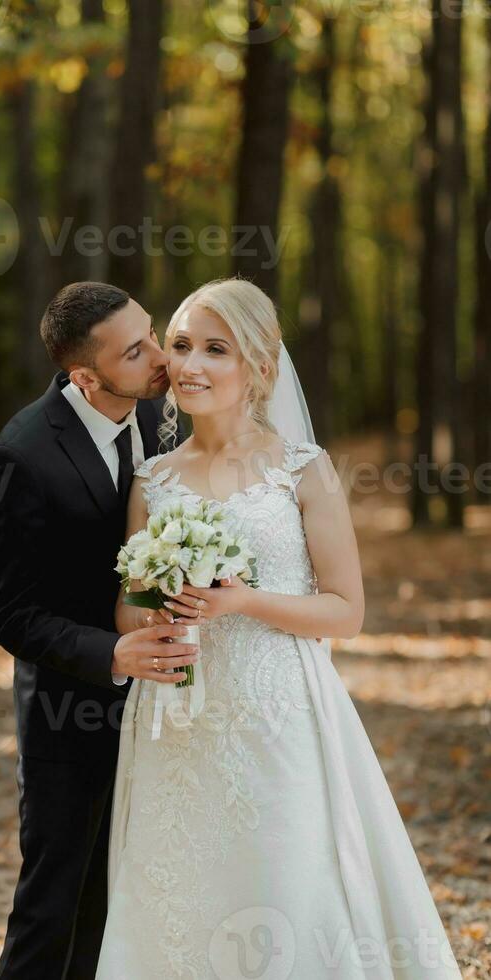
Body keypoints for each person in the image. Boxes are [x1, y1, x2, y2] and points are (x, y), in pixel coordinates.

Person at [95, 277, 462, 979]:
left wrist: (242, 603)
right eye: (180, 345)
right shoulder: (153, 478)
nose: (192, 364)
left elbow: (346, 611)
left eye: (216, 349)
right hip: (178, 718)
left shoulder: (303, 470)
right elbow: (126, 606)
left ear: (260, 367)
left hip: (280, 714)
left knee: (285, 877)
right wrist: (160, 613)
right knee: (184, 884)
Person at [0, 281, 193, 980]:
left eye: (153, 332)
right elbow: (11, 614)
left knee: (119, 900)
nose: (161, 356)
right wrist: (112, 652)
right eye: (137, 351)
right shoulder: (23, 456)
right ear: (85, 375)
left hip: (165, 704)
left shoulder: (170, 411)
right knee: (55, 901)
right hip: (67, 711)